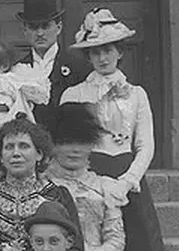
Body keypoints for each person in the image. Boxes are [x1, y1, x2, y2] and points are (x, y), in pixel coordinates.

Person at [60, 8, 162, 251]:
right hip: (89, 176)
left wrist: (127, 182)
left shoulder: (136, 94)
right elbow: (67, 145)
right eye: (95, 52)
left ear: (120, 52)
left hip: (127, 175)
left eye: (108, 50)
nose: (102, 58)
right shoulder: (74, 94)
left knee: (138, 240)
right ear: (88, 56)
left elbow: (145, 145)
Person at [0, 118, 83, 251]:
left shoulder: (59, 195)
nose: (16, 153)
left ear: (39, 154)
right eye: (9, 147)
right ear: (1, 157)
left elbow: (75, 246)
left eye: (24, 146)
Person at [44, 103, 127, 251]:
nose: (75, 150)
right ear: (54, 146)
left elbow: (116, 240)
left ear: (91, 146)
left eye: (82, 142)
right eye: (67, 143)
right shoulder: (40, 184)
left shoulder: (106, 187)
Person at [10, 0, 90, 129]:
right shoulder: (17, 69)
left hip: (65, 141)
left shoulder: (79, 67)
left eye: (45, 26)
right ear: (24, 30)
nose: (40, 33)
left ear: (58, 28)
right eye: (33, 27)